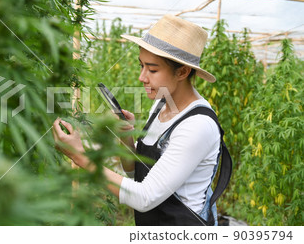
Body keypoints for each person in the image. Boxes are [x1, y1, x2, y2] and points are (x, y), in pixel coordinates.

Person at [52, 14, 231, 226]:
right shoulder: (162, 104)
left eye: (153, 69)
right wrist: (125, 137)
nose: (142, 77)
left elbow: (144, 197)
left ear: (182, 71)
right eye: (141, 66)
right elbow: (135, 172)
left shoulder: (197, 126)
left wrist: (80, 156)